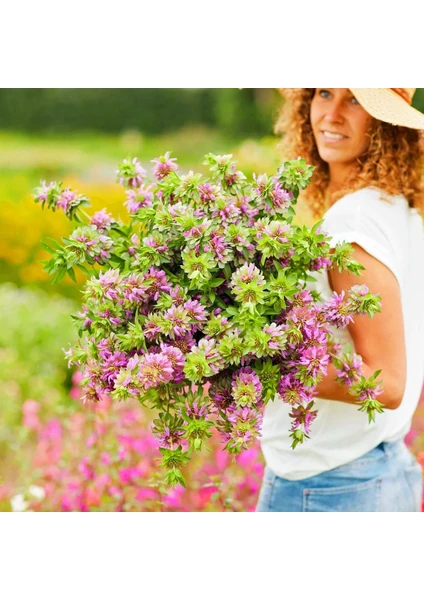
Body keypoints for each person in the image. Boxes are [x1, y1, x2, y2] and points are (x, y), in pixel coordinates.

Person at [256, 88, 424, 512]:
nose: (331, 114)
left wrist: (258, 363)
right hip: (372, 470)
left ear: (386, 124)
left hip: (330, 487)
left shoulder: (355, 223)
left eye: (356, 100)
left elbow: (387, 384)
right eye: (324, 93)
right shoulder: (394, 207)